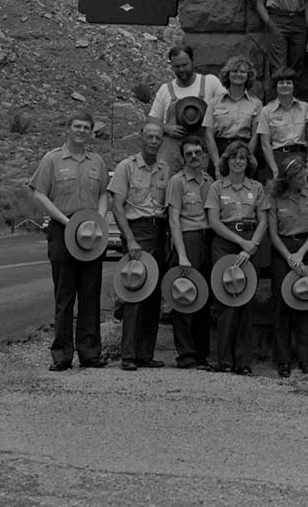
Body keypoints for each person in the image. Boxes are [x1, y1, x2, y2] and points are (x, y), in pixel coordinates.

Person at [29, 111, 109, 371]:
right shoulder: (52, 160)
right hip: (63, 229)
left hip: (90, 233)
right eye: (77, 126)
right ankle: (62, 355)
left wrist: (99, 219)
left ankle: (90, 353)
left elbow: (104, 193)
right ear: (68, 129)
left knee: (90, 294)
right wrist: (66, 221)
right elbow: (39, 194)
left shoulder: (96, 161)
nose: (82, 131)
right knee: (64, 295)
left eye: (87, 127)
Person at [108, 118, 170, 371]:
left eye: (158, 138)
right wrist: (130, 239)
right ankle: (129, 355)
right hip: (138, 231)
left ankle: (146, 353)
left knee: (154, 294)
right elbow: (117, 205)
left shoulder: (165, 169)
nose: (154, 141)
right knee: (135, 291)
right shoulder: (127, 167)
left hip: (160, 230)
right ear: (140, 137)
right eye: (150, 137)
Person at [206, 141, 269, 375]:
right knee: (226, 301)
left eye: (242, 157)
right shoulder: (217, 187)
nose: (238, 161)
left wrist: (251, 244)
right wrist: (240, 242)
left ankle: (243, 361)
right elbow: (213, 221)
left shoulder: (257, 187)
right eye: (233, 157)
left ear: (248, 162)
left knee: (246, 302)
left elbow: (263, 219)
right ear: (226, 161)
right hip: (225, 243)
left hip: (251, 243)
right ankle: (224, 360)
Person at [266, 157, 308, 376]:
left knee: (306, 301)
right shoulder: (274, 196)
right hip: (283, 249)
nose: (304, 179)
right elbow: (272, 232)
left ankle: (305, 356)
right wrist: (289, 256)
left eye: (305, 175)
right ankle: (283, 358)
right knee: (282, 306)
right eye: (299, 177)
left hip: (307, 249)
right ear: (288, 179)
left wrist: (300, 254)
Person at [165, 137, 214, 370]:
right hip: (188, 239)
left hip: (208, 239)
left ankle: (201, 353)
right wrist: (182, 254)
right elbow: (173, 219)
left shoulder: (209, 181)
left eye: (197, 152)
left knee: (204, 298)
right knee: (185, 295)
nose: (194, 157)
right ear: (183, 157)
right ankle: (185, 355)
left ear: (204, 155)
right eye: (189, 154)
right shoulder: (177, 182)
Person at [147, 44, 225, 176]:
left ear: (192, 62)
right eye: (177, 66)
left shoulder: (210, 83)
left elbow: (226, 107)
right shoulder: (165, 89)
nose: (182, 69)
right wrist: (166, 128)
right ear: (171, 66)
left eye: (185, 65)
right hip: (172, 152)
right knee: (165, 184)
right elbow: (151, 119)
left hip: (201, 149)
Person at [255, 69, 308, 180]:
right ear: (275, 86)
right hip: (278, 158)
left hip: (300, 157)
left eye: (289, 82)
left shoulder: (305, 108)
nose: (285, 85)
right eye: (281, 82)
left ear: (294, 85)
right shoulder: (266, 111)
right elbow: (265, 144)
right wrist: (274, 169)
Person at [210, 55, 263, 172]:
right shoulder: (215, 102)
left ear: (248, 76)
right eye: (234, 71)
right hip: (221, 150)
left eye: (242, 72)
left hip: (245, 150)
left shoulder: (256, 104)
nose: (238, 74)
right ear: (227, 75)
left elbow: (255, 135)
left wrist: (247, 157)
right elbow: (209, 135)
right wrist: (216, 163)